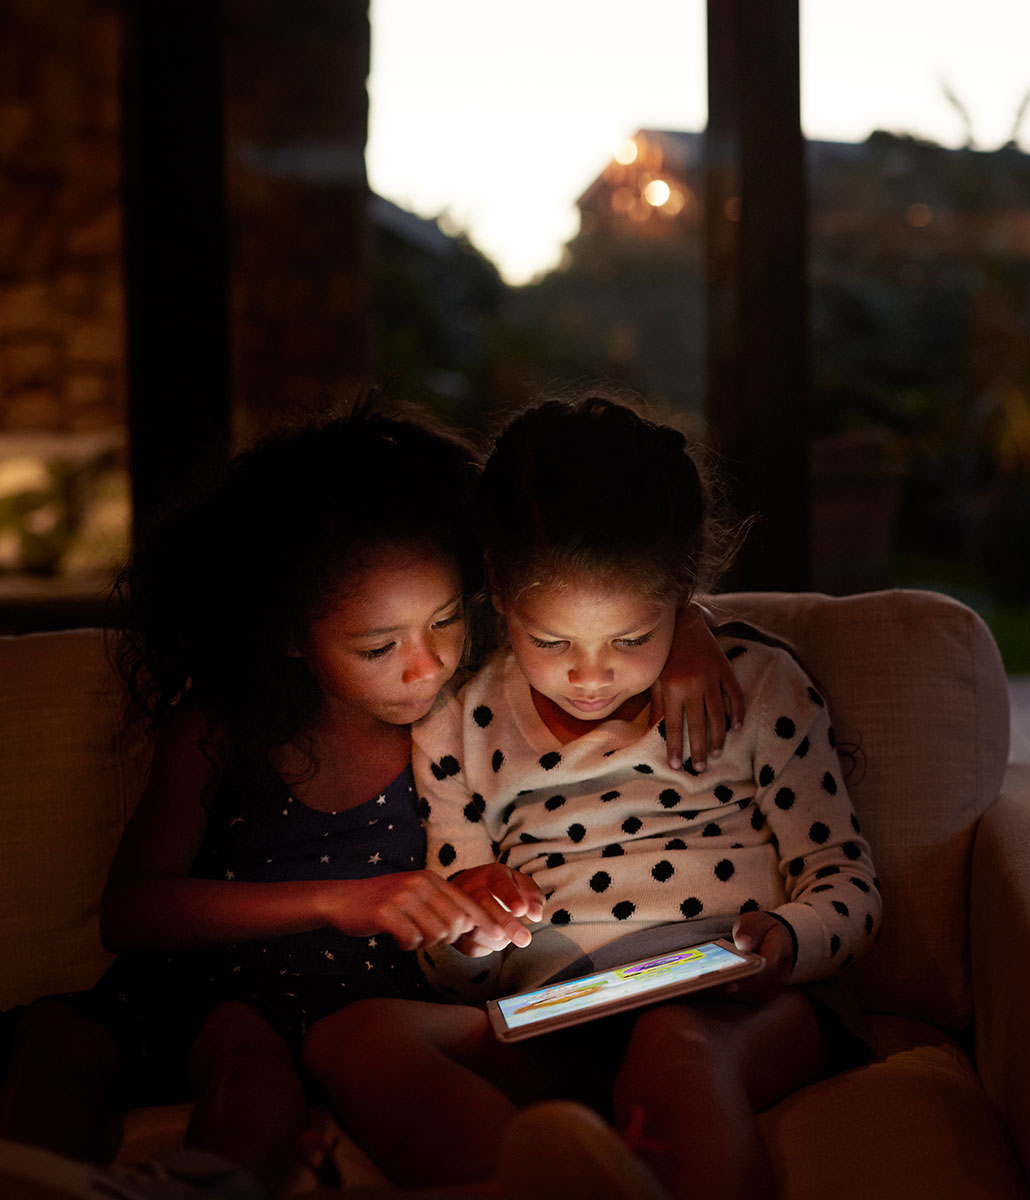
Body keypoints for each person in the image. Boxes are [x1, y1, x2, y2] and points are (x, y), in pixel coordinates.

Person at [0, 399, 742, 1199]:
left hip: (348, 1010)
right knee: (59, 1039)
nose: (425, 668)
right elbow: (132, 912)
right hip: (193, 981)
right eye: (377, 648)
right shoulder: (226, 724)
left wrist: (690, 625)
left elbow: (591, 592)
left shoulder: (480, 706)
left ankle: (203, 1182)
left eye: (448, 622)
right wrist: (339, 901)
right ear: (289, 635)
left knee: (243, 1044)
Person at [304, 395, 882, 1200]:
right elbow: (451, 973)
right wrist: (472, 923)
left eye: (632, 639)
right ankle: (554, 1172)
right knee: (354, 1039)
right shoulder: (459, 722)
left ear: (679, 599)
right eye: (551, 642)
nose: (590, 674)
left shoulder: (758, 690)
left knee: (674, 1043)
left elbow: (848, 882)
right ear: (499, 597)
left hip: (727, 1009)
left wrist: (789, 937)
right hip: (558, 1018)